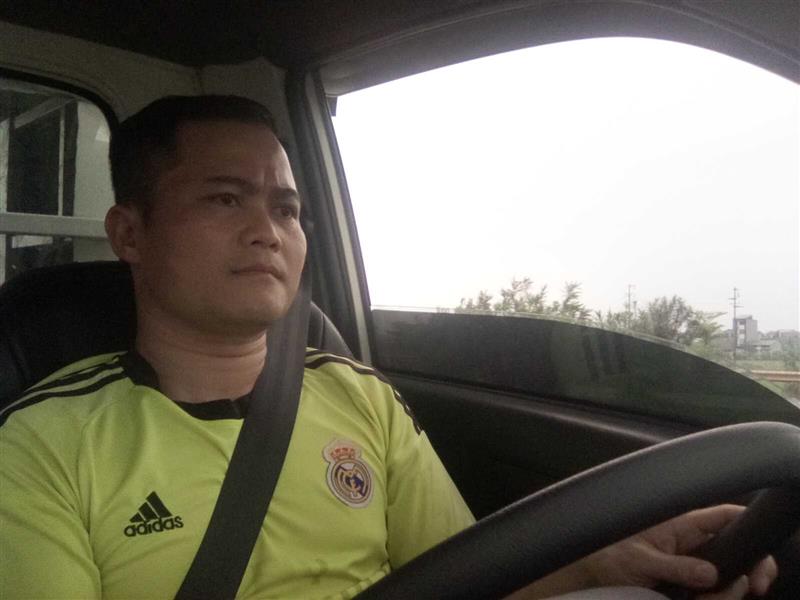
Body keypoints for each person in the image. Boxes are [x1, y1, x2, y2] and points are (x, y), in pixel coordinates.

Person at [0, 95, 776, 599]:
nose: (267, 230)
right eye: (225, 198)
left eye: (287, 208)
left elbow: (467, 575)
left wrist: (607, 561)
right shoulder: (40, 444)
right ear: (130, 234)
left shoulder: (359, 396)